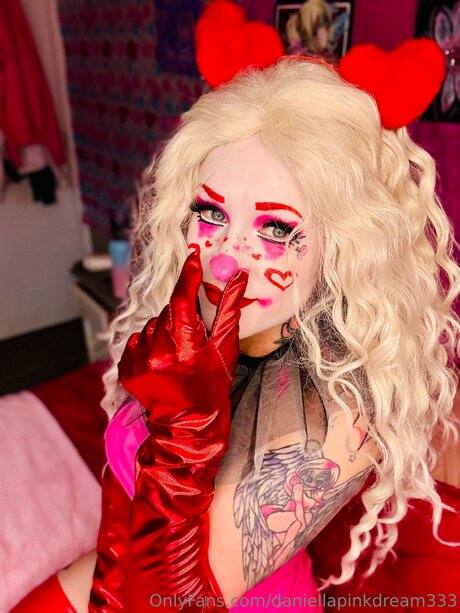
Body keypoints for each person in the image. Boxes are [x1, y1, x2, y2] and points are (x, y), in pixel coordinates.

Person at [12, 55, 459, 612]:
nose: (227, 256)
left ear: (342, 246)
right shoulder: (202, 324)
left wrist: (185, 430)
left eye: (276, 227)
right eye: (211, 214)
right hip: (116, 570)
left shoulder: (341, 416)